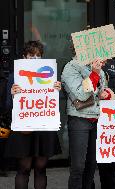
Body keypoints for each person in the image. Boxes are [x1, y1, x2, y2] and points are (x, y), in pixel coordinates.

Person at [61, 44, 115, 189]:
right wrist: (94, 72)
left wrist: (103, 95)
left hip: (96, 119)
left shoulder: (98, 69)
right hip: (79, 119)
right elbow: (81, 95)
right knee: (78, 166)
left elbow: (98, 94)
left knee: (91, 165)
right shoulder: (71, 67)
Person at [5, 40, 62, 189]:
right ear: (25, 57)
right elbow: (7, 106)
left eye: (38, 56)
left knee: (41, 168)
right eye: (32, 55)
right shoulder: (14, 76)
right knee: (24, 168)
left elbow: (55, 102)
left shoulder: (50, 76)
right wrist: (12, 95)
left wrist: (57, 90)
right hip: (24, 127)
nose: (35, 59)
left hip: (44, 126)